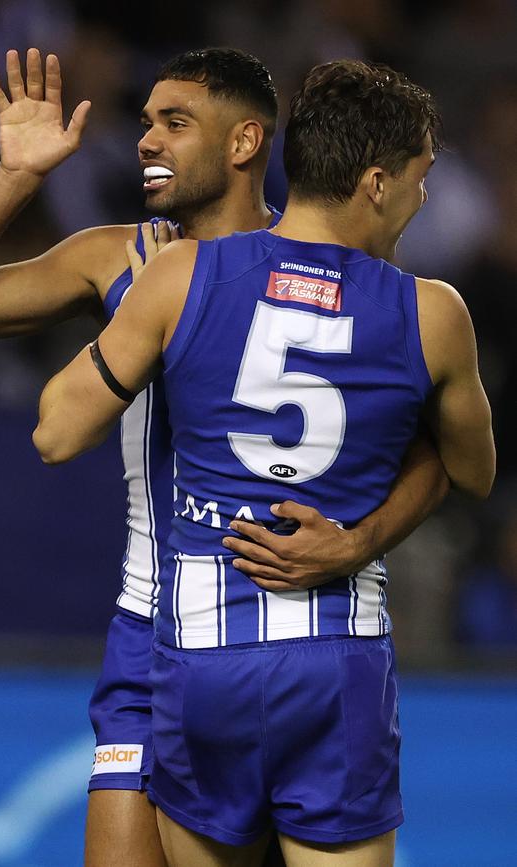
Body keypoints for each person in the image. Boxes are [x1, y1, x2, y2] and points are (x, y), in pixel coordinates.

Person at [0, 49, 449, 866]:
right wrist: (16, 176)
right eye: (148, 122)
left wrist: (362, 537)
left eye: (174, 123)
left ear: (244, 142)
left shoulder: (337, 274)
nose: (147, 140)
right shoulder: (115, 256)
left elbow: (438, 451)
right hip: (146, 626)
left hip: (273, 624)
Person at [33, 59, 495, 867]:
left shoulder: (180, 273)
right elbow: (473, 468)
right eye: (420, 181)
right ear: (378, 184)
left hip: (202, 652)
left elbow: (56, 433)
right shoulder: (433, 312)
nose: (424, 201)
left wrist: (140, 323)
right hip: (336, 655)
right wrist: (358, 538)